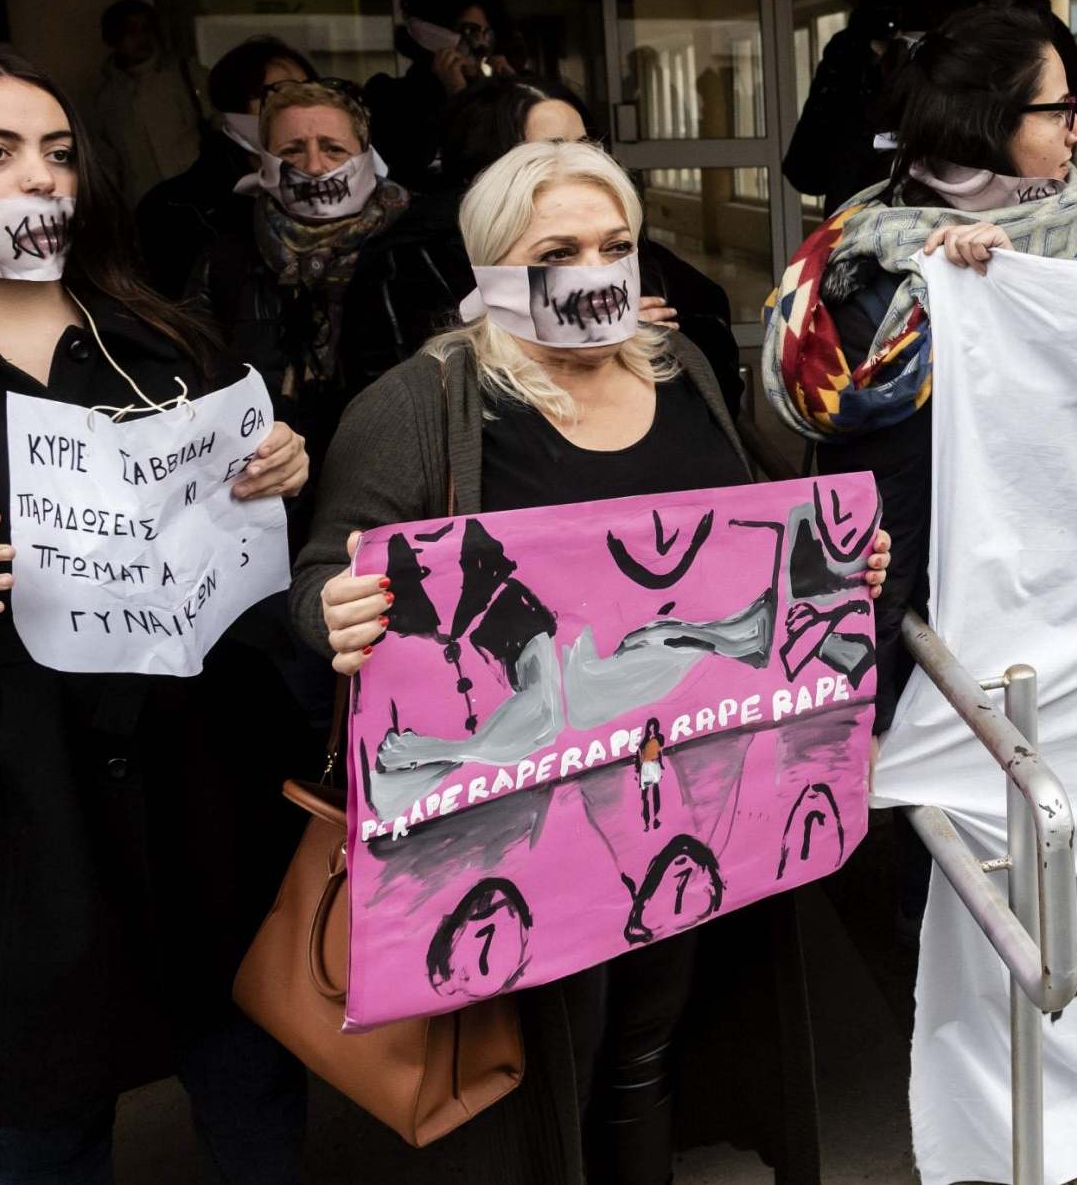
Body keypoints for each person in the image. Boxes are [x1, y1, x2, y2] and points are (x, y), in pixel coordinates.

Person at [297, 140, 887, 1184]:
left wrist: (837, 561)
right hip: (519, 809)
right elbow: (320, 572)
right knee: (541, 1072)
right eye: (559, 248)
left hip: (686, 784)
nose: (596, 269)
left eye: (616, 243)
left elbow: (749, 521)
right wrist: (332, 612)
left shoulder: (685, 368)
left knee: (647, 1044)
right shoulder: (418, 405)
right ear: (489, 269)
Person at [0, 43, 312, 1184]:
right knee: (43, 1112)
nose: (41, 179)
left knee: (250, 1066)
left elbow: (249, 536)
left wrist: (281, 465)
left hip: (199, 778)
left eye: (59, 153)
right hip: (9, 807)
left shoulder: (161, 342)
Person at [766, 4, 1077, 727]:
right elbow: (883, 518)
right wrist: (873, 719)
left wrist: (1028, 295)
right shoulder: (877, 285)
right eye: (1062, 110)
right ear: (991, 122)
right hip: (952, 656)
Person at [340, 75, 744, 413]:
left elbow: (711, 346)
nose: (579, 163)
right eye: (550, 150)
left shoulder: (626, 243)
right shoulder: (410, 261)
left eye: (586, 146)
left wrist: (646, 342)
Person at [187, 79, 409, 468]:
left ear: (366, 156)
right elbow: (191, 380)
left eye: (333, 149)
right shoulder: (225, 259)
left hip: (395, 468)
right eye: (292, 151)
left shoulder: (416, 247)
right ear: (264, 163)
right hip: (266, 476)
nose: (314, 166)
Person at [781, 0, 974, 202]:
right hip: (857, 212)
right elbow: (806, 168)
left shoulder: (960, 54)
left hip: (935, 213)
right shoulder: (849, 52)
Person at [138, 36, 315, 298]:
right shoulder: (175, 208)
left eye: (311, 92)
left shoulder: (343, 187)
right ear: (233, 114)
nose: (302, 109)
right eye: (280, 95)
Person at [364, 0, 514, 181]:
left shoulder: (492, 92)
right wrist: (456, 97)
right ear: (431, 33)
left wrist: (513, 91)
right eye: (469, 30)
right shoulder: (390, 93)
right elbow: (410, 161)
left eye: (486, 33)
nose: (480, 44)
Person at [90, 0, 204, 201]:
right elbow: (108, 161)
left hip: (198, 195)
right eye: (131, 31)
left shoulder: (186, 75)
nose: (141, 38)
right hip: (145, 204)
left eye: (146, 30)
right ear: (114, 39)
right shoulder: (107, 98)